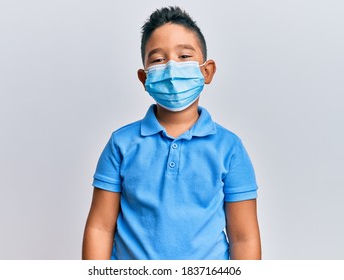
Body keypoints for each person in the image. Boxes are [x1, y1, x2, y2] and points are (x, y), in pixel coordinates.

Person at [82, 6, 261, 260]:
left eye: (184, 56)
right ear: (144, 78)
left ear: (206, 71)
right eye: (158, 60)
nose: (171, 68)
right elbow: (99, 227)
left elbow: (244, 237)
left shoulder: (229, 148)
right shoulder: (121, 144)